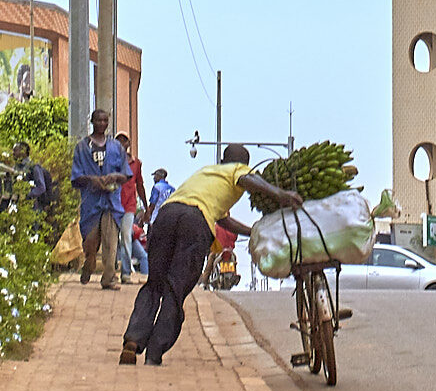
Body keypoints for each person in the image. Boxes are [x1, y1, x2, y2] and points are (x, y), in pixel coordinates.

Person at [119, 144, 301, 365]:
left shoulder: (207, 173)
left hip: (167, 215)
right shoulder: (238, 171)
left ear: (222, 160)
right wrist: (281, 194)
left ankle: (133, 338)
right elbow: (247, 179)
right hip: (193, 222)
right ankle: (154, 353)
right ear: (243, 164)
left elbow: (222, 218)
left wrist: (251, 231)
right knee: (175, 290)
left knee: (154, 283)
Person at [71, 109, 132, 290]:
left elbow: (125, 175)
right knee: (90, 242)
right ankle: (88, 264)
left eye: (105, 120)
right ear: (92, 121)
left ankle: (109, 278)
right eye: (98, 120)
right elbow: (76, 177)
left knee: (111, 242)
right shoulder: (82, 147)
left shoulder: (116, 148)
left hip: (111, 202)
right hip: (91, 202)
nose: (102, 124)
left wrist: (113, 177)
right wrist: (92, 180)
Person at [114, 132, 148, 284]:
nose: (121, 144)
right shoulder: (111, 161)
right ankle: (111, 269)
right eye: (118, 141)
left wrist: (146, 206)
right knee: (112, 239)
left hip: (128, 206)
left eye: (124, 141)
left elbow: (140, 185)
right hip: (112, 205)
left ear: (128, 144)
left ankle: (126, 273)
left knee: (126, 237)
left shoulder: (136, 164)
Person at [11, 141, 49, 213]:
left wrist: (26, 195)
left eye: (15, 150)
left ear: (23, 151)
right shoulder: (15, 167)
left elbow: (41, 187)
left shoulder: (33, 167)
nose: (13, 153)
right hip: (18, 207)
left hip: (33, 208)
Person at [145, 168, 175, 233]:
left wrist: (146, 216)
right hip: (169, 220)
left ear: (159, 176)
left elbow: (153, 204)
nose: (154, 178)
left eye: (155, 176)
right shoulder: (172, 189)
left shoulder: (157, 187)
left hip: (156, 218)